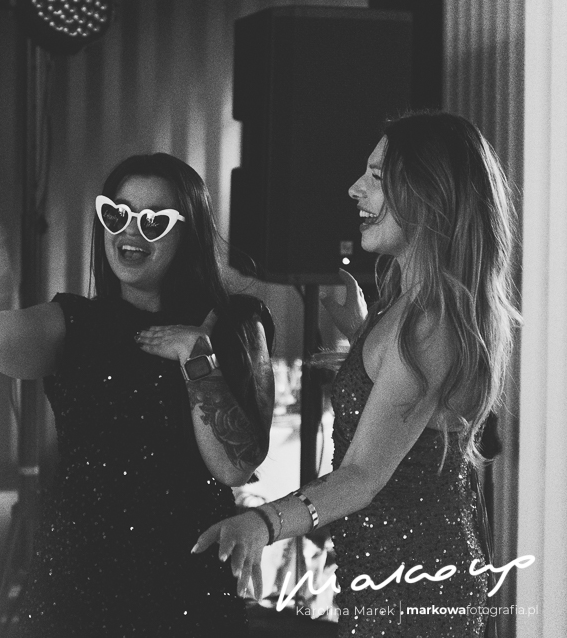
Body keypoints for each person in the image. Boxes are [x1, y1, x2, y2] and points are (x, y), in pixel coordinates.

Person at [0, 153, 274, 635]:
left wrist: (196, 356)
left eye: (154, 221)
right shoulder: (75, 322)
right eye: (117, 215)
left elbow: (234, 466)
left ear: (189, 233)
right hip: (78, 576)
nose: (130, 231)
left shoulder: (234, 321)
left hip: (185, 575)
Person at [193, 111, 519, 638]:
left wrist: (262, 523)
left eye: (376, 176)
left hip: (414, 591)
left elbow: (363, 475)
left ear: (429, 195)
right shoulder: (410, 307)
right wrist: (362, 333)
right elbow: (402, 404)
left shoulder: (429, 324)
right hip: (388, 575)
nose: (354, 189)